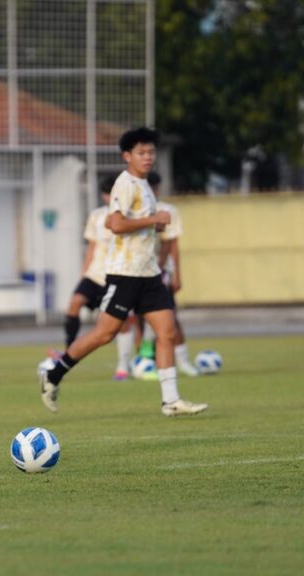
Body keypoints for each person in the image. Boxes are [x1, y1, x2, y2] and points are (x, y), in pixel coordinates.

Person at [37, 127, 208, 417]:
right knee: (105, 334)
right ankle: (55, 374)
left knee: (167, 332)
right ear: (127, 156)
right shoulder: (126, 184)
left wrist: (152, 223)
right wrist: (153, 219)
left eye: (151, 152)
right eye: (141, 153)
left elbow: (126, 223)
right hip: (124, 273)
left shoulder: (143, 186)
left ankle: (171, 401)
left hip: (149, 273)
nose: (148, 157)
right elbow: (115, 224)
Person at [58, 177, 137, 381]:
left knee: (122, 323)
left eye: (113, 193)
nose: (109, 197)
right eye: (106, 193)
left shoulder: (130, 216)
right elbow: (92, 246)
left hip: (117, 275)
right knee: (75, 303)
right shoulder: (96, 216)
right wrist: (84, 272)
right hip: (95, 274)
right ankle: (69, 351)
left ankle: (123, 367)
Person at [132, 171, 200, 377]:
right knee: (138, 318)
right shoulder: (135, 210)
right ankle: (143, 360)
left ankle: (183, 361)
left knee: (170, 317)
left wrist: (172, 273)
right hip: (135, 271)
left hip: (159, 272)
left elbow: (170, 245)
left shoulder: (166, 210)